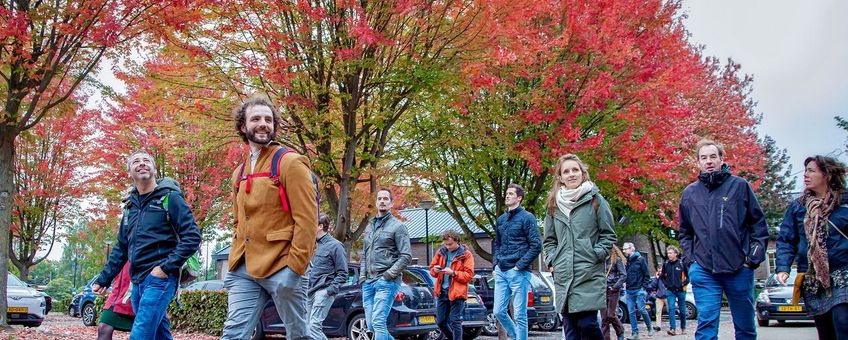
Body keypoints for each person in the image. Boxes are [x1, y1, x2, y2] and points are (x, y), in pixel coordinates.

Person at [221, 96, 319, 340]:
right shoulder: (239, 173)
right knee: (233, 334)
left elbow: (307, 221)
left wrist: (295, 268)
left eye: (268, 119)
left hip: (282, 265)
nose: (263, 123)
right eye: (255, 119)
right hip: (244, 268)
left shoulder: (290, 163)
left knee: (298, 335)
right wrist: (235, 258)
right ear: (243, 127)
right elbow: (239, 221)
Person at [92, 150, 201, 340]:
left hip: (160, 279)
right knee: (160, 334)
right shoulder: (130, 207)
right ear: (130, 172)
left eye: (146, 160)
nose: (141, 163)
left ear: (154, 168)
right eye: (136, 161)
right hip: (137, 281)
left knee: (140, 335)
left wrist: (165, 268)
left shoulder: (170, 198)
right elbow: (122, 247)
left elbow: (192, 236)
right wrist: (104, 278)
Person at [678, 139, 768, 340]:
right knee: (706, 326)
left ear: (721, 159)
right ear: (698, 162)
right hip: (704, 268)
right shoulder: (690, 193)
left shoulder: (740, 186)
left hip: (739, 268)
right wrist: (690, 261)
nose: (708, 161)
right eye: (703, 157)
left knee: (745, 327)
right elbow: (685, 232)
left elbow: (759, 226)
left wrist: (752, 259)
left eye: (712, 156)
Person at [542, 154, 616, 340]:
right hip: (564, 273)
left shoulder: (596, 200)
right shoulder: (553, 206)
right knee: (571, 329)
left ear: (583, 173)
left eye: (575, 170)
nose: (571, 174)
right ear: (560, 177)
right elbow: (549, 240)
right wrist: (552, 260)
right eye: (566, 171)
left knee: (588, 323)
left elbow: (608, 235)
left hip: (588, 272)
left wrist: (595, 254)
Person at [776, 156, 848, 339]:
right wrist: (783, 267)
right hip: (813, 276)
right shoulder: (798, 207)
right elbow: (786, 239)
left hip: (843, 272)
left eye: (811, 170)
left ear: (827, 175)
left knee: (843, 321)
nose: (805, 175)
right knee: (825, 330)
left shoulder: (845, 204)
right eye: (806, 170)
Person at [359, 188, 413, 340]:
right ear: (376, 202)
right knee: (370, 325)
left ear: (391, 203)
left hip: (386, 281)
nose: (382, 201)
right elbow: (365, 254)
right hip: (368, 282)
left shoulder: (398, 226)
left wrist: (388, 275)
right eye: (379, 198)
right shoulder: (370, 227)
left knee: (378, 322)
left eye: (385, 199)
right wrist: (363, 277)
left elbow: (406, 256)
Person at [493, 183, 542, 340]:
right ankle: (515, 336)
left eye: (511, 194)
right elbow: (497, 243)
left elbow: (536, 245)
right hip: (501, 270)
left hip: (519, 272)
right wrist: (495, 264)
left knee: (520, 315)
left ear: (519, 198)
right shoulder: (501, 220)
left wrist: (519, 266)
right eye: (506, 193)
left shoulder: (528, 218)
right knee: (498, 311)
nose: (507, 196)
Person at [308, 213, 349, 340]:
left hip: (323, 292)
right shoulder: (312, 245)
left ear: (320, 226)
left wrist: (328, 291)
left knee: (313, 328)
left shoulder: (336, 246)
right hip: (308, 292)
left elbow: (343, 273)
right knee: (304, 329)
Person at [429, 229, 475, 340]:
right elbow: (432, 269)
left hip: (457, 292)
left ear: (457, 241)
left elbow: (469, 275)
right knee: (440, 322)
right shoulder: (441, 252)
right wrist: (435, 270)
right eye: (446, 244)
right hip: (442, 292)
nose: (448, 247)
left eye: (450, 244)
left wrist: (453, 273)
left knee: (455, 321)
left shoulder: (466, 255)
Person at [622, 242, 652, 339]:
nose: (624, 251)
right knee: (631, 312)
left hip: (639, 289)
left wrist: (643, 287)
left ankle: (649, 327)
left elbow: (647, 275)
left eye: (625, 249)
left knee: (641, 309)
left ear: (631, 249)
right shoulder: (626, 261)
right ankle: (635, 333)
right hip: (629, 290)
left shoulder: (640, 260)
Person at [98, 262, 135, 340]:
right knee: (104, 327)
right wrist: (102, 281)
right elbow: (115, 259)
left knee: (152, 332)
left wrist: (164, 269)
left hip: (145, 291)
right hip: (118, 293)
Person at [660, 245, 689, 336]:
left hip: (681, 290)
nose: (669, 255)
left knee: (682, 310)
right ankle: (672, 328)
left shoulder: (681, 263)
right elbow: (662, 276)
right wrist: (666, 284)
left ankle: (683, 327)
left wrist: (683, 284)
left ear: (676, 254)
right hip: (670, 290)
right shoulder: (666, 264)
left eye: (671, 253)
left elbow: (688, 277)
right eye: (668, 253)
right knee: (671, 309)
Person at [603, 245, 627, 340]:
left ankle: (620, 330)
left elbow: (623, 275)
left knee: (611, 315)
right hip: (603, 290)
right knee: (604, 318)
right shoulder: (602, 261)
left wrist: (615, 286)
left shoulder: (616, 260)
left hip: (613, 290)